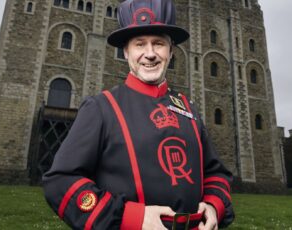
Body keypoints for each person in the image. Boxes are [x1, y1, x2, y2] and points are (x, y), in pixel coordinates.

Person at [43, 0, 234, 229]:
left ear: (171, 51)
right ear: (126, 52)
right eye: (140, 44)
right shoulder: (101, 107)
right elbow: (60, 182)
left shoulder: (188, 110)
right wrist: (132, 217)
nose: (150, 54)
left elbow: (215, 173)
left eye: (159, 44)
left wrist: (214, 206)